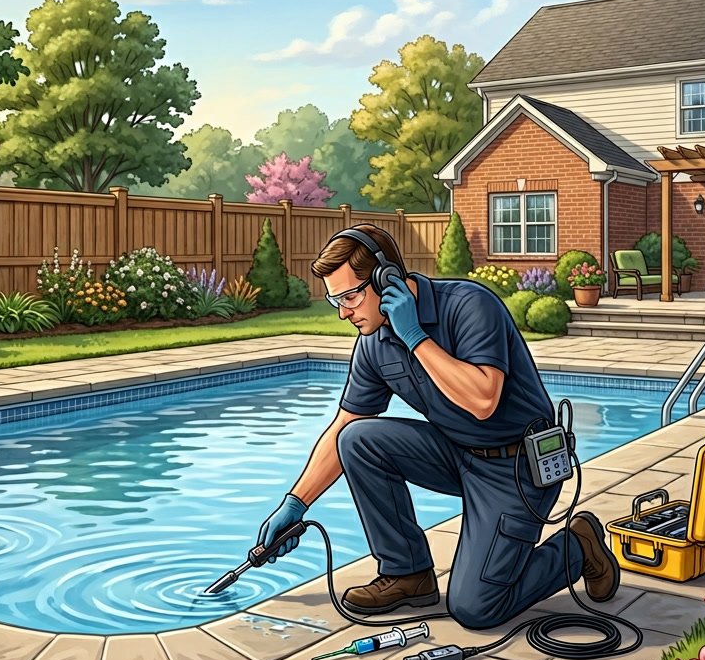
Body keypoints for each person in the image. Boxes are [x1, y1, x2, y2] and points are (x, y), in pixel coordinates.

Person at [256, 224, 620, 628]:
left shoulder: (468, 305)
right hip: (457, 453)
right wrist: (295, 503)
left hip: (517, 469)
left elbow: (483, 400)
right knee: (358, 439)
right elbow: (346, 423)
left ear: (386, 278)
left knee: (476, 609)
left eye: (350, 296)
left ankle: (577, 546)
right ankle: (408, 573)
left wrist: (415, 337)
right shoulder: (374, 343)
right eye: (334, 300)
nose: (343, 312)